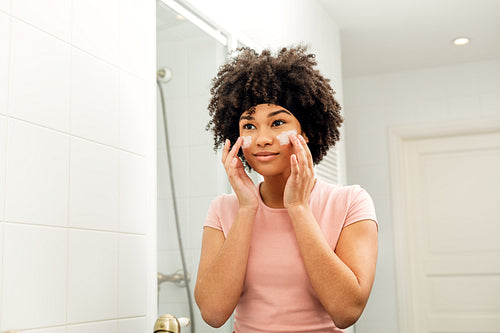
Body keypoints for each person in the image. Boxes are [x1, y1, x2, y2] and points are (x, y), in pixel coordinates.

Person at [194, 46, 378, 333]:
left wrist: (299, 209)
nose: (262, 139)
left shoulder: (350, 202)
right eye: (249, 126)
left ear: (306, 132)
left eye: (277, 123)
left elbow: (346, 311)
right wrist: (247, 210)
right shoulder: (224, 209)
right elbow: (214, 314)